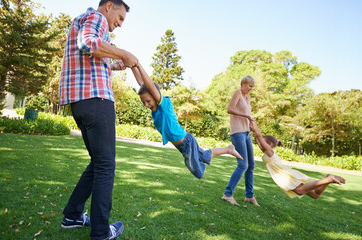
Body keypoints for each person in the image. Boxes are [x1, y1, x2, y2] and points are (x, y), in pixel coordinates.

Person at [58, 1, 138, 239]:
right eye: (120, 17)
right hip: (97, 101)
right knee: (105, 166)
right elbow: (88, 43)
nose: (120, 24)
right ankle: (101, 232)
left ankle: (72, 215)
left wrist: (113, 65)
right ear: (109, 6)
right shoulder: (98, 19)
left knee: (98, 162)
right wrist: (123, 52)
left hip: (81, 103)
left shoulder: (81, 19)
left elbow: (88, 57)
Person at [130, 63, 243, 179]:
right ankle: (228, 149)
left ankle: (200, 160)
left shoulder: (164, 105)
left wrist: (138, 65)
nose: (146, 104)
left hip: (187, 143)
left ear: (155, 96)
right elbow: (142, 84)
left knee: (198, 173)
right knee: (203, 156)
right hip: (183, 145)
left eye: (148, 101)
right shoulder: (155, 110)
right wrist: (132, 66)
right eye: (143, 102)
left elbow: (149, 86)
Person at [250, 121, 346, 199]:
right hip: (284, 174)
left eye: (261, 141)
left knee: (300, 191)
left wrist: (253, 122)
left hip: (285, 175)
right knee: (315, 195)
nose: (258, 143)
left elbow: (258, 136)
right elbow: (257, 138)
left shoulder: (269, 151)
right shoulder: (267, 152)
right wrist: (252, 131)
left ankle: (328, 179)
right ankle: (329, 178)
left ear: (270, 144)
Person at [222, 76, 260, 206]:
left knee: (251, 165)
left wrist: (249, 123)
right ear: (243, 84)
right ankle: (227, 194)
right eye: (250, 86)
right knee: (243, 165)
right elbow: (230, 109)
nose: (251, 89)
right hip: (237, 133)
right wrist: (246, 116)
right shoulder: (238, 93)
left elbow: (245, 113)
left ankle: (249, 196)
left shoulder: (247, 98)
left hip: (246, 133)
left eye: (252, 87)